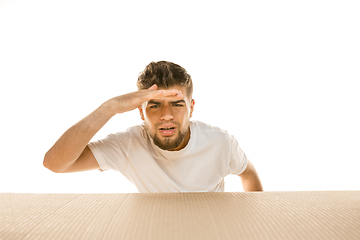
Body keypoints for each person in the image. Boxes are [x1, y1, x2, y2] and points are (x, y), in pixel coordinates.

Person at [44, 61, 263, 193]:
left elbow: (249, 174)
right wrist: (108, 108)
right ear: (140, 111)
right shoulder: (127, 144)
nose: (166, 115)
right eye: (155, 105)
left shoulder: (220, 143)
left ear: (191, 108)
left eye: (177, 104)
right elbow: (55, 164)